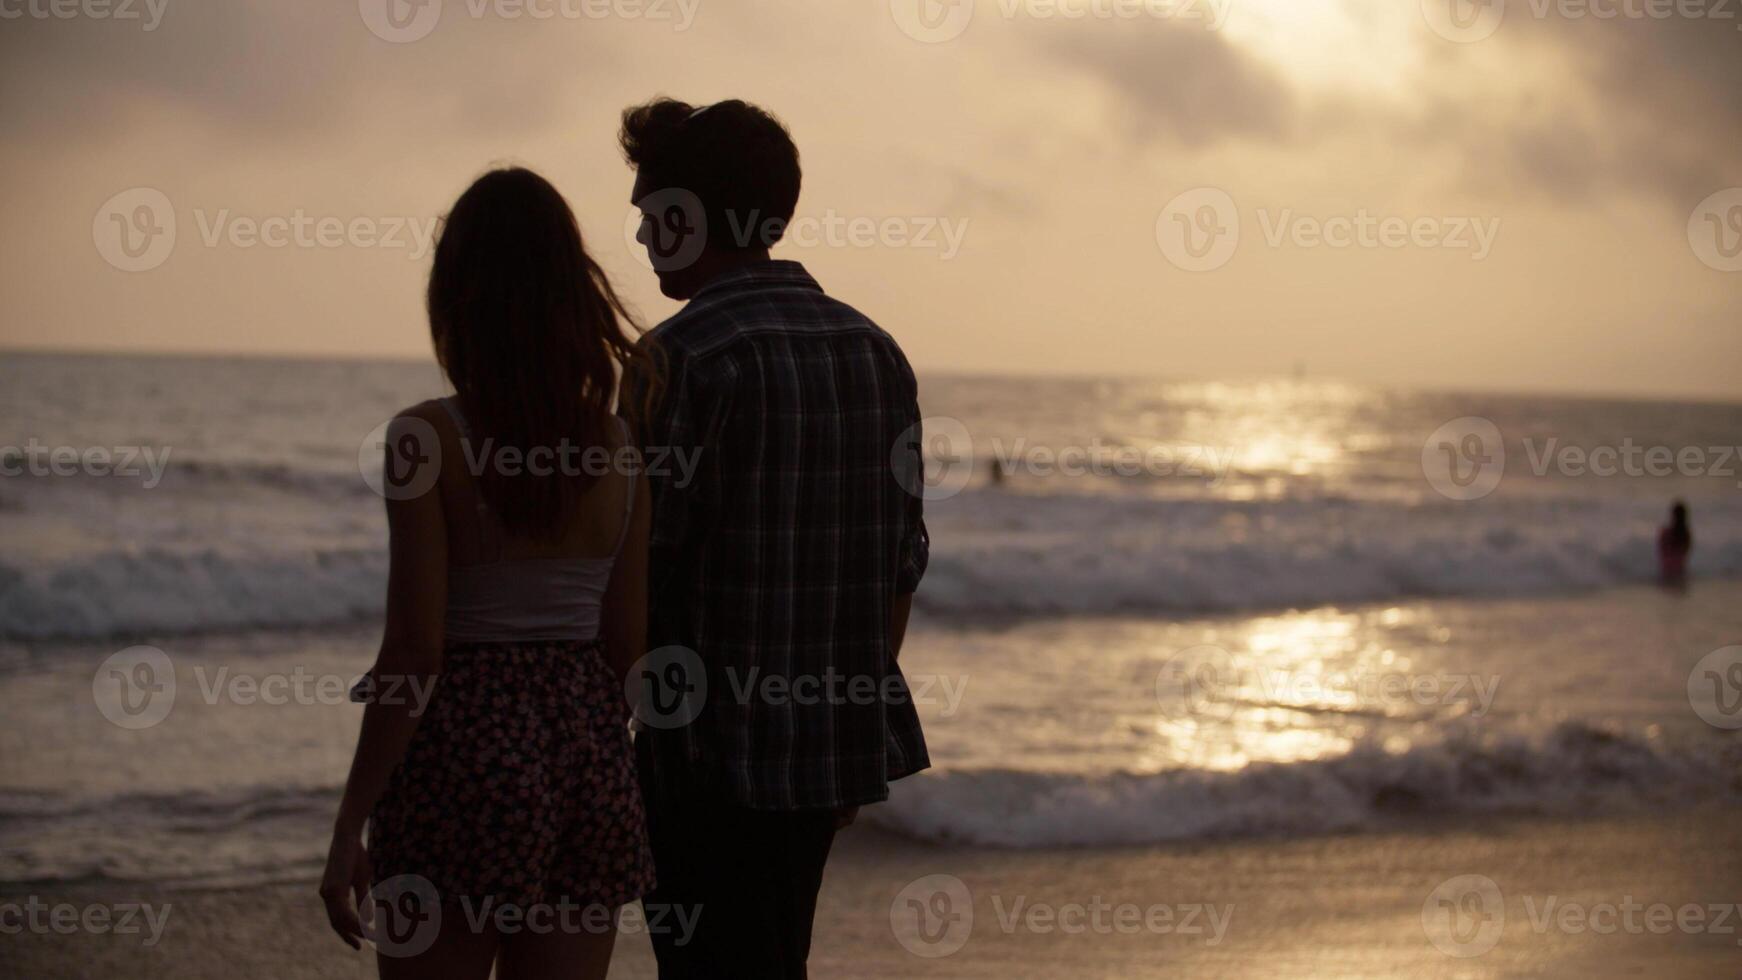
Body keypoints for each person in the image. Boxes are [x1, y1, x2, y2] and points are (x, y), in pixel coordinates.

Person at [620, 98, 932, 979]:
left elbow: (635, 577)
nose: (643, 239)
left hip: (700, 759)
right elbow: (899, 563)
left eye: (652, 215)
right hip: (824, 750)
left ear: (690, 218)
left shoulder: (676, 360)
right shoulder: (877, 353)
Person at [319, 167, 656, 980]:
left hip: (459, 758)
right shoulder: (622, 450)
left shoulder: (425, 439)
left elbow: (414, 652)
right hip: (588, 758)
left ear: (457, 295)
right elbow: (627, 648)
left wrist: (347, 828)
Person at [1659, 500, 1692, 586]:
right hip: (1681, 571)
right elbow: (1686, 551)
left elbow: (1661, 551)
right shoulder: (1686, 533)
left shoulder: (1666, 532)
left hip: (1666, 571)